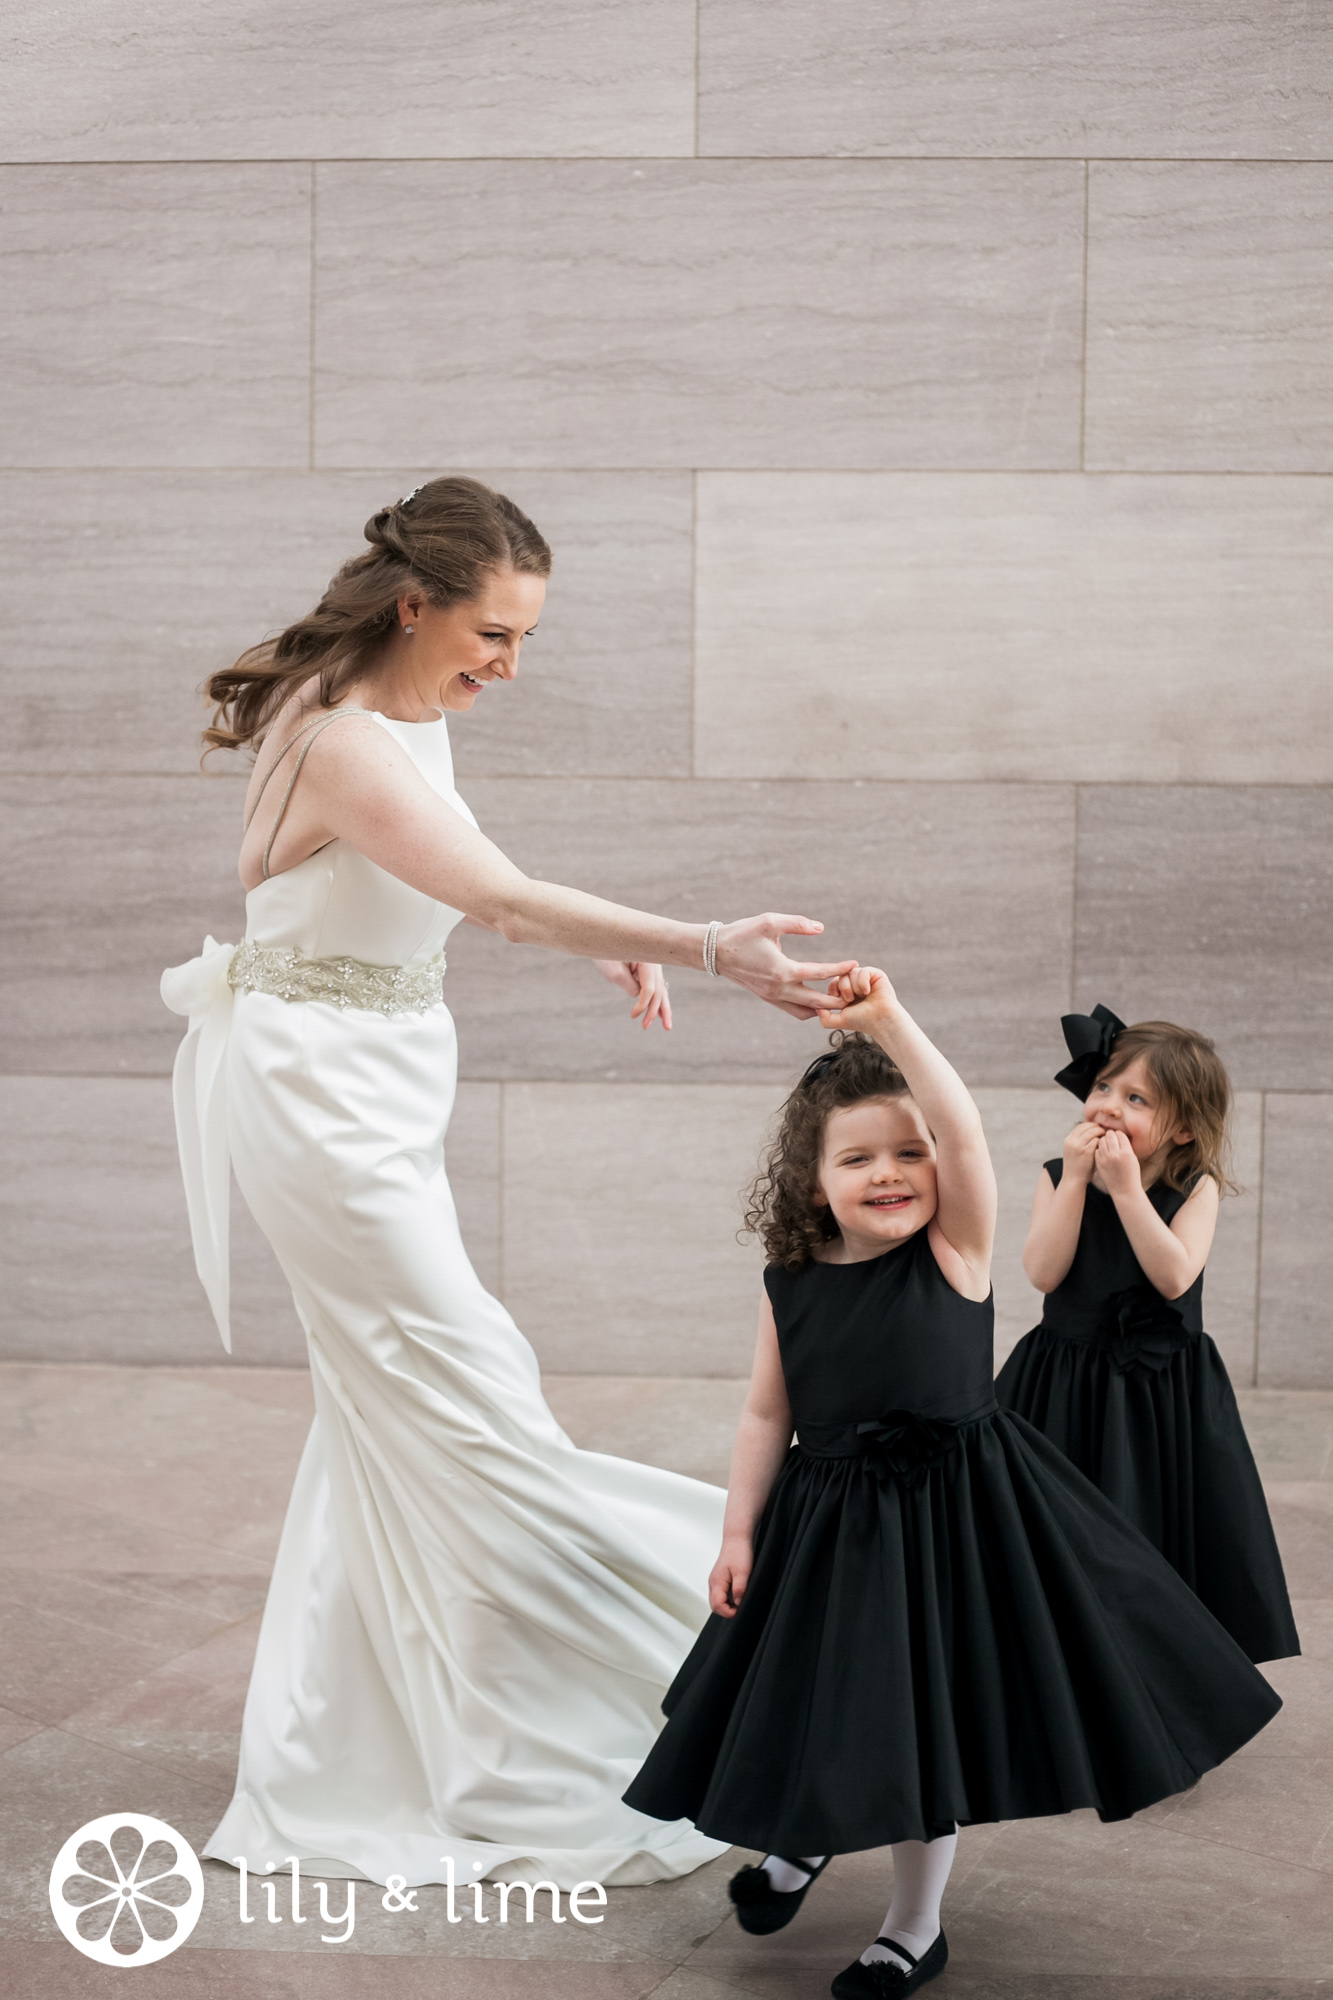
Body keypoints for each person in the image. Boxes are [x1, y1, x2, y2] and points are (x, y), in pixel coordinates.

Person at [160, 475, 857, 1890]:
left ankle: (370, 1730)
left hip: (373, 1077)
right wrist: (707, 940)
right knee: (475, 1393)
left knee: (401, 1408)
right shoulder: (348, 737)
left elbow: (463, 876)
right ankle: (721, 1656)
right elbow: (490, 898)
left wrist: (591, 935)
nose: (510, 666)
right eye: (494, 633)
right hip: (326, 1107)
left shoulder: (399, 711)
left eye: (524, 638)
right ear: (414, 605)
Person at [623, 968, 1282, 1999]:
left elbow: (965, 1128)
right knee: (821, 1695)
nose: (890, 1172)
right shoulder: (789, 1280)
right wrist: (739, 1531)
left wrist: (889, 1021)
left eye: (908, 1152)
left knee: (913, 1719)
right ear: (812, 1181)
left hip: (949, 1519)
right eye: (857, 1158)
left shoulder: (956, 1249)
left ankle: (913, 1922)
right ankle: (805, 1837)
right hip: (827, 1519)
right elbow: (766, 1412)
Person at [995, 1006, 1299, 1665]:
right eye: (1103, 1087)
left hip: (1159, 1397)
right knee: (1058, 1534)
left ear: (1184, 1128)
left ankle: (1158, 1686)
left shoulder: (1196, 1189)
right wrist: (1077, 1181)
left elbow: (1173, 1277)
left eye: (1135, 1099)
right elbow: (1042, 1272)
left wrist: (1129, 1192)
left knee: (1146, 1535)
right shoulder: (1055, 1175)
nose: (1107, 1106)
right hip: (1063, 1382)